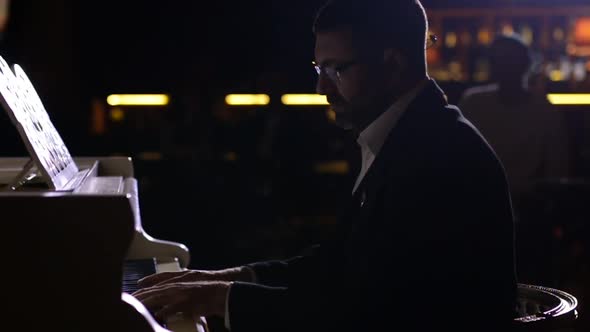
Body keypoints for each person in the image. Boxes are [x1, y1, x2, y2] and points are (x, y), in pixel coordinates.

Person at [133, 1, 517, 331]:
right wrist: (229, 280)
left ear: (393, 63)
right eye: (320, 69)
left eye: (337, 69)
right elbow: (341, 264)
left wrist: (224, 300)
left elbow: (370, 312)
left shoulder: (437, 156)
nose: (322, 88)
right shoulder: (410, 132)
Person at [459, 34, 570, 211]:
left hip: (518, 205)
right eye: (501, 61)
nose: (506, 67)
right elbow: (558, 169)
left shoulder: (474, 102)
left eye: (509, 60)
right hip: (486, 203)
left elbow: (557, 170)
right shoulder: (474, 103)